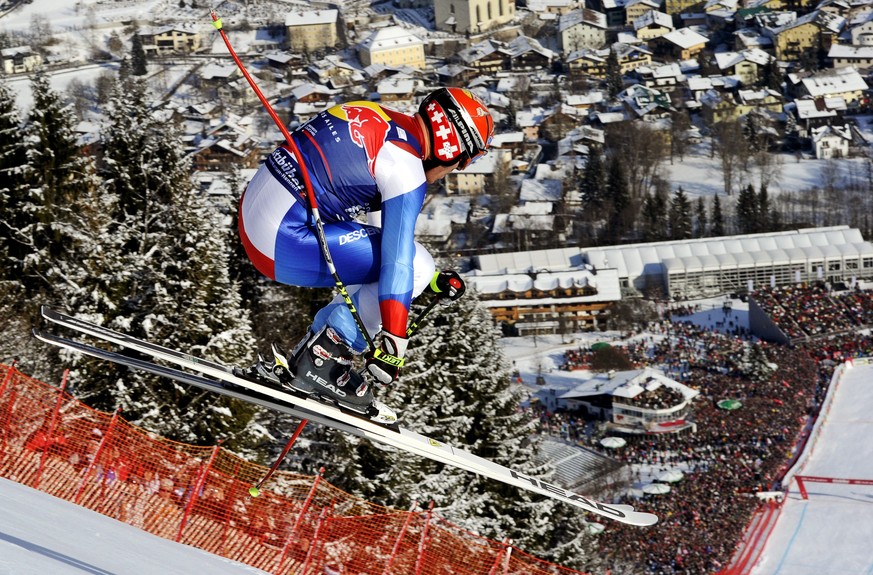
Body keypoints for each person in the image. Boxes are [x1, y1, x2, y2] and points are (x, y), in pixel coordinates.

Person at [238, 87, 494, 422]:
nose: (452, 173)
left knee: (414, 270)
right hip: (281, 242)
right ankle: (324, 359)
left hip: (258, 221)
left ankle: (318, 352)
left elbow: (382, 235)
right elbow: (398, 259)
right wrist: (394, 341)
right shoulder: (406, 167)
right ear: (451, 149)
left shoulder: (383, 119)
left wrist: (425, 283)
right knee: (415, 264)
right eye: (462, 163)